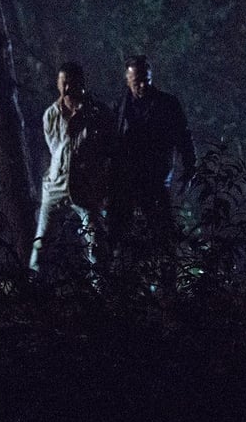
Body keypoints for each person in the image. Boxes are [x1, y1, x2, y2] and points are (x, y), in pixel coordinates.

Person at [29, 62, 114, 271]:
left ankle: (103, 287)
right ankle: (32, 287)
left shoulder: (97, 113)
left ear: (81, 84)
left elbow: (108, 150)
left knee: (96, 243)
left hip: (86, 188)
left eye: (70, 83)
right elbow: (55, 149)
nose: (66, 88)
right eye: (63, 83)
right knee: (41, 245)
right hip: (56, 186)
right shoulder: (51, 114)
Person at [109, 54, 196, 242]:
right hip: (127, 178)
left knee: (162, 231)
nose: (142, 86)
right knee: (119, 233)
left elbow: (184, 137)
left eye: (146, 80)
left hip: (156, 176)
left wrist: (189, 168)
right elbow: (111, 142)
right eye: (136, 82)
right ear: (128, 80)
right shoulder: (119, 107)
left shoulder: (167, 104)